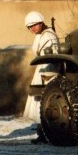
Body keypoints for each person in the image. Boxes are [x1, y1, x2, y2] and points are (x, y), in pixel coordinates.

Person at [23, 11, 59, 144]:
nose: (33, 28)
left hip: (47, 70)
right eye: (30, 27)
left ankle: (45, 134)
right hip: (42, 68)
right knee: (39, 103)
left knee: (43, 103)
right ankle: (42, 133)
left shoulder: (48, 35)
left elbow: (51, 55)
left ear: (41, 23)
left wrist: (47, 74)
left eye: (35, 25)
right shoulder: (41, 35)